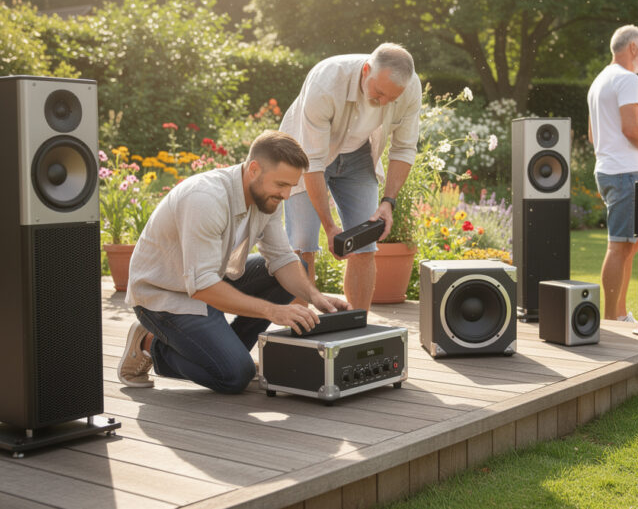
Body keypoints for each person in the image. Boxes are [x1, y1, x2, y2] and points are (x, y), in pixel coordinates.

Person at [118, 131, 350, 393]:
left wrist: (315, 297)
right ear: (254, 169)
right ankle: (150, 344)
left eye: (291, 186)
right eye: (281, 185)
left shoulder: (266, 197)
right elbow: (202, 286)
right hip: (164, 295)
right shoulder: (205, 199)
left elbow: (281, 258)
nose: (286, 195)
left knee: (295, 270)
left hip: (207, 279)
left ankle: (224, 353)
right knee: (235, 376)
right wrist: (273, 311)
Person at [280, 43, 422, 311]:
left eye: (391, 98)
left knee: (364, 245)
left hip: (358, 155)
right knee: (302, 246)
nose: (383, 103)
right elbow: (313, 162)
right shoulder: (325, 81)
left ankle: (357, 325)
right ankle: (301, 328)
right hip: (306, 153)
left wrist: (388, 202)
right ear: (366, 70)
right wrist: (330, 227)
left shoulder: (410, 87)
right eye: (379, 93)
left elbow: (404, 148)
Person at [588, 25, 638, 321]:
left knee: (629, 246)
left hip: (610, 171)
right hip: (624, 174)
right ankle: (611, 320)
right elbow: (631, 129)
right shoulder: (628, 79)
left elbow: (593, 136)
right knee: (619, 246)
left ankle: (619, 315)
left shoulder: (599, 81)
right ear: (633, 47)